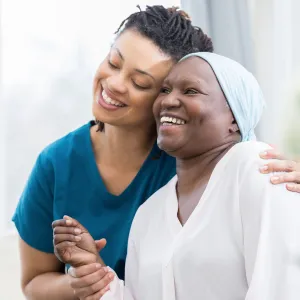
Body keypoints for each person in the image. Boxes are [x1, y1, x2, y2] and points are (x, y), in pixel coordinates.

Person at [13, 5, 300, 300]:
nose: (113, 83)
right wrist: (86, 278)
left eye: (140, 83)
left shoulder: (207, 159)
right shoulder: (61, 167)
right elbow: (35, 282)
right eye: (113, 62)